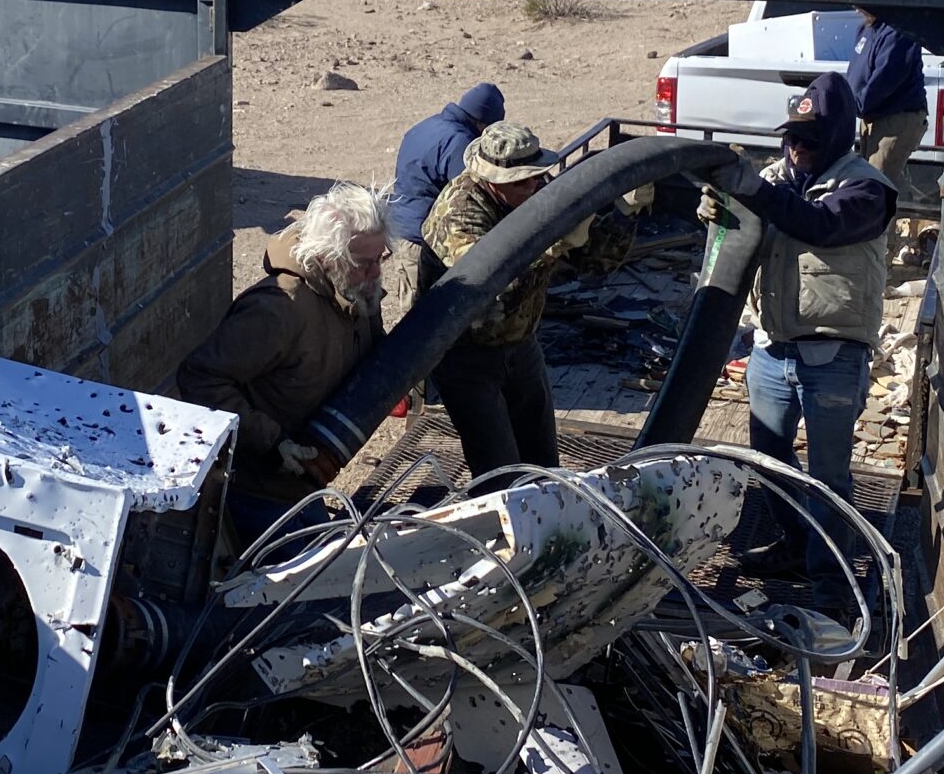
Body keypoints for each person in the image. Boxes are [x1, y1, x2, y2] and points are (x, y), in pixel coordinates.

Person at [704, 75, 898, 592]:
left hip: (832, 357)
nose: (797, 148)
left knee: (829, 478)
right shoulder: (778, 179)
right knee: (769, 463)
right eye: (791, 137)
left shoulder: (866, 190)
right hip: (772, 349)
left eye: (810, 139)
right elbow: (742, 226)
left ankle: (833, 584)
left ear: (837, 137)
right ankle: (795, 546)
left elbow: (818, 225)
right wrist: (720, 209)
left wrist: (756, 191)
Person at [421, 121, 630, 481]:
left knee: (543, 461)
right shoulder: (459, 214)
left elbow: (597, 261)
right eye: (523, 181)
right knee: (498, 468)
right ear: (493, 181)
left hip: (520, 345)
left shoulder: (533, 190)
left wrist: (624, 215)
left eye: (538, 176)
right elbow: (490, 288)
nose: (535, 186)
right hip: (466, 355)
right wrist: (559, 243)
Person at [176, 183, 391, 523]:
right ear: (327, 256)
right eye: (363, 263)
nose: (376, 272)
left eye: (380, 258)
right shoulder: (279, 310)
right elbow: (201, 377)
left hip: (304, 487)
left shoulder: (358, 296)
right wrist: (273, 443)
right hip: (254, 491)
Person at [388, 82, 506, 238]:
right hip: (422, 234)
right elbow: (472, 195)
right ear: (481, 124)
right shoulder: (460, 142)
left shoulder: (424, 126)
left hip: (399, 226)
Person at [845, 1, 928, 189]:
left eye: (860, 2)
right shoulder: (867, 29)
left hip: (895, 119)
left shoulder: (898, 32)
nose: (856, 8)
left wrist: (851, 106)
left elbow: (884, 80)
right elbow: (857, 73)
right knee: (869, 181)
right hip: (872, 116)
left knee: (875, 186)